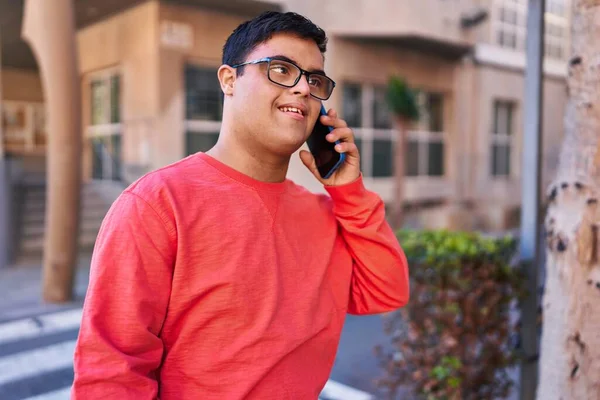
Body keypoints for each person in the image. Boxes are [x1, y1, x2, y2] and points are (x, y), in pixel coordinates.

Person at [72, 10, 409, 400]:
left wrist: (349, 192)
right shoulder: (157, 204)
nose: (302, 88)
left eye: (314, 80)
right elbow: (111, 373)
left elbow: (387, 292)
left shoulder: (324, 215)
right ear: (229, 79)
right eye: (281, 69)